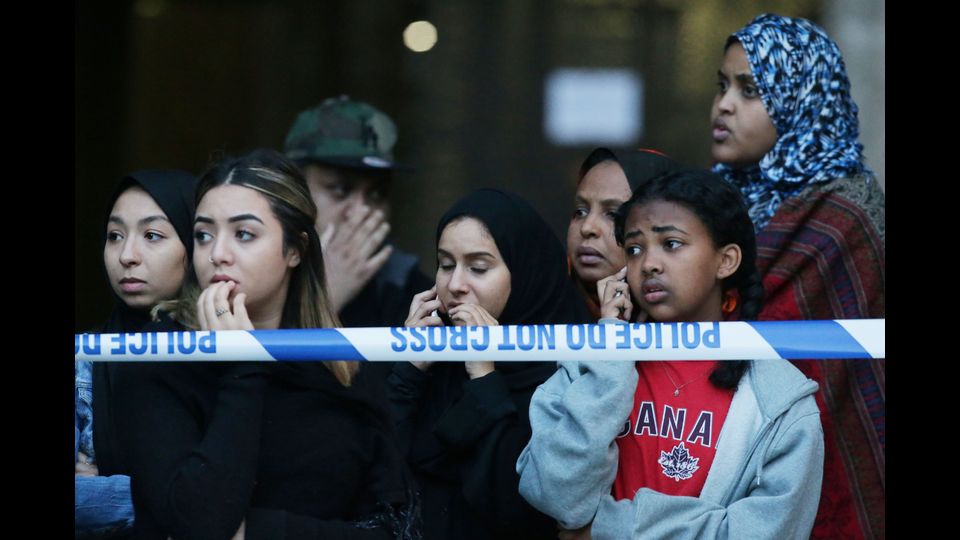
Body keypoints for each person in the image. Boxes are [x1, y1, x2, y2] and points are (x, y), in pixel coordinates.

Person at [103, 149, 419, 540]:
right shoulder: (160, 357)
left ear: (294, 250)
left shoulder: (341, 362)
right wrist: (243, 366)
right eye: (203, 235)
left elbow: (395, 526)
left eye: (244, 234)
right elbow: (199, 524)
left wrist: (260, 531)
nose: (217, 254)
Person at [517, 169, 824, 539]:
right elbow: (557, 497)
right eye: (634, 248)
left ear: (725, 261)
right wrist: (611, 355)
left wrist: (605, 530)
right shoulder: (587, 367)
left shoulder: (781, 402)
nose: (648, 264)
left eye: (672, 243)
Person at [710, 14, 884, 538]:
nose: (723, 104)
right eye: (722, 86)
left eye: (750, 90)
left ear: (801, 101)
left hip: (824, 451)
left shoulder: (845, 216)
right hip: (712, 450)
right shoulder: (717, 203)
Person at [388, 189, 590, 540]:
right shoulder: (432, 360)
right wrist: (408, 370)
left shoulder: (567, 370)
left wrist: (484, 377)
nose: (455, 285)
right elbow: (372, 480)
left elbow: (519, 511)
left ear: (525, 270)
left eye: (478, 267)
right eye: (446, 264)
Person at [79, 168, 197, 538]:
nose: (127, 255)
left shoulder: (232, 347)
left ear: (197, 246)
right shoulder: (86, 355)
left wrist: (112, 492)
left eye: (152, 235)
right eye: (115, 236)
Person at [568, 148, 683, 319]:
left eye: (613, 214)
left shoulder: (716, 326)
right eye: (580, 212)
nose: (587, 228)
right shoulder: (541, 309)